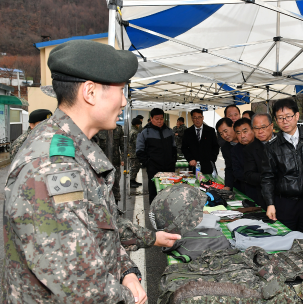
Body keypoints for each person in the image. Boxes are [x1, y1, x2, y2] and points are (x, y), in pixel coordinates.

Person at [2, 40, 181, 303]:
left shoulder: (77, 147)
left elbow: (101, 226)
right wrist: (129, 297)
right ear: (90, 92)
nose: (123, 101)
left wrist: (127, 271)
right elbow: (79, 286)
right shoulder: (52, 166)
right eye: (121, 90)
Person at [261, 98, 303, 236]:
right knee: (286, 241)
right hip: (285, 204)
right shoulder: (272, 147)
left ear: (297, 116)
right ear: (276, 121)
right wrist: (270, 204)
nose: (285, 121)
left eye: (288, 116)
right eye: (280, 118)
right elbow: (267, 177)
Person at [136, 108, 177, 203]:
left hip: (169, 167)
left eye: (161, 119)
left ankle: (168, 211)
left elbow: (174, 147)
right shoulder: (144, 132)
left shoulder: (169, 131)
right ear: (151, 118)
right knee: (154, 191)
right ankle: (154, 213)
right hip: (154, 168)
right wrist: (148, 164)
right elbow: (139, 151)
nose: (159, 121)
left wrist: (173, 160)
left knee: (169, 190)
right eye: (157, 119)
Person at [242, 113, 274, 210]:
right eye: (256, 128)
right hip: (264, 197)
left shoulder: (283, 142)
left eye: (263, 127)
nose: (260, 131)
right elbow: (249, 175)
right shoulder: (250, 149)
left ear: (271, 126)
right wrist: (271, 178)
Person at [181, 109, 219, 174]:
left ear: (202, 118)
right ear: (192, 119)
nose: (197, 120)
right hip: (194, 165)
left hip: (208, 165)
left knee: (209, 183)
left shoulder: (210, 131)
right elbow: (184, 148)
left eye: (199, 117)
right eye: (195, 118)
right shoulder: (187, 132)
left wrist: (211, 159)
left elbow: (216, 146)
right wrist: (190, 159)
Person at [95, 124, 125, 204]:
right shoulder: (98, 127)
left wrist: (123, 158)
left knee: (115, 185)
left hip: (115, 162)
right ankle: (104, 206)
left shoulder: (118, 129)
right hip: (101, 164)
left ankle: (116, 206)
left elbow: (123, 145)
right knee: (101, 185)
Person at [231, 118, 255, 194]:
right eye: (238, 133)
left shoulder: (262, 145)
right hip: (246, 189)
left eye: (245, 131)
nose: (242, 136)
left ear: (252, 130)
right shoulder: (235, 150)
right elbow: (237, 172)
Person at [216, 118, 239, 191]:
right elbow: (229, 167)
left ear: (233, 126)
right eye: (221, 134)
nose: (225, 135)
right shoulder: (225, 147)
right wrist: (228, 185)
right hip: (237, 184)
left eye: (225, 131)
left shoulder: (245, 141)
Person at [129, 117, 142, 188]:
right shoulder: (135, 132)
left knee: (134, 167)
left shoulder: (131, 130)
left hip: (132, 152)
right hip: (134, 153)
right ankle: (131, 182)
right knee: (134, 168)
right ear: (137, 124)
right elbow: (137, 143)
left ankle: (133, 181)